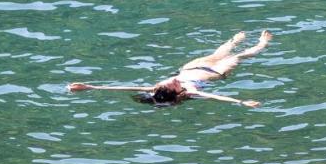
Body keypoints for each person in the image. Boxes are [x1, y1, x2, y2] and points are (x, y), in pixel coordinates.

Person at [68, 30, 272, 108]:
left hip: (193, 67)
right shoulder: (191, 91)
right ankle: (261, 44)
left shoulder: (158, 88)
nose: (171, 81)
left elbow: (126, 87)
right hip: (217, 73)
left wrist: (92, 87)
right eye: (173, 84)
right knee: (238, 56)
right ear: (177, 92)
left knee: (217, 52)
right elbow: (217, 98)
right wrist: (241, 101)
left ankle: (234, 39)